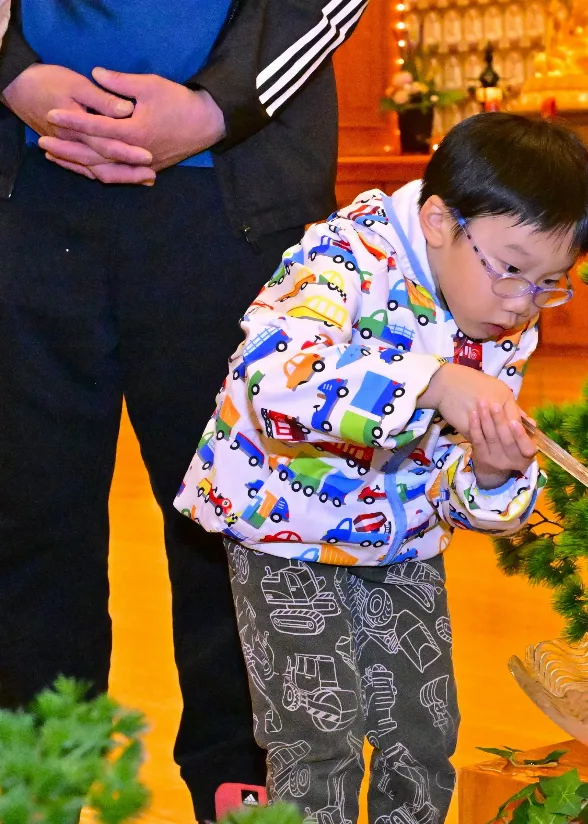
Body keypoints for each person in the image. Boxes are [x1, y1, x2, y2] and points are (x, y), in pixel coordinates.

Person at [175, 112, 588, 823]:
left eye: (550, 283)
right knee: (318, 738)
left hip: (402, 540)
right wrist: (434, 381)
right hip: (283, 533)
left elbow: (456, 491)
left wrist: (492, 477)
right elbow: (270, 380)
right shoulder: (342, 257)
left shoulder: (503, 314)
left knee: (422, 735)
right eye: (513, 269)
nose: (522, 301)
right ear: (439, 221)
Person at [0, 2, 364, 821]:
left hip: (232, 200)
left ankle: (246, 787)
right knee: (27, 520)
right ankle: (35, 785)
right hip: (22, 190)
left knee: (241, 527)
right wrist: (13, 72)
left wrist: (216, 104)